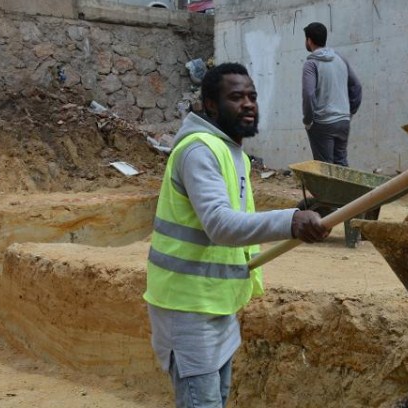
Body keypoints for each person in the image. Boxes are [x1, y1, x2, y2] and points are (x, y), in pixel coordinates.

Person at [143, 62, 330, 408]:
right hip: (186, 307)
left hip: (218, 302)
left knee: (219, 398)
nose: (248, 104)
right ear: (211, 105)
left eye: (252, 96)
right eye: (236, 97)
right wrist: (289, 221)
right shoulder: (200, 150)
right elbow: (220, 224)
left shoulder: (232, 153)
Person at [302, 22, 362, 167]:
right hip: (343, 122)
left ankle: (327, 191)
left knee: (325, 168)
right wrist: (349, 112)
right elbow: (357, 86)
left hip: (322, 123)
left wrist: (308, 120)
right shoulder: (340, 58)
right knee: (341, 165)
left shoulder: (311, 64)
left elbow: (309, 94)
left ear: (309, 40)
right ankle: (345, 190)